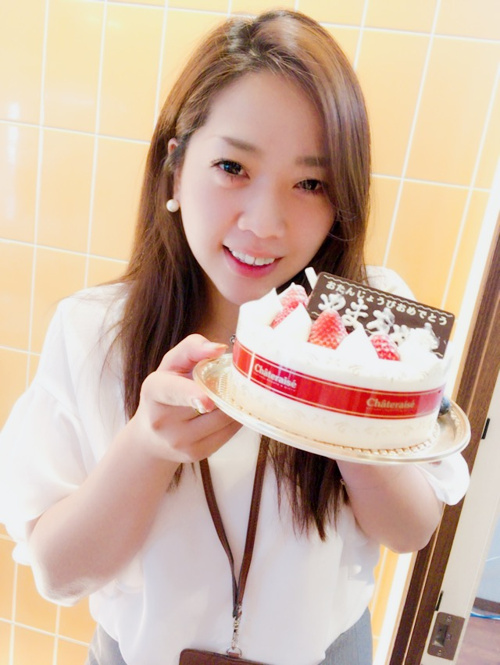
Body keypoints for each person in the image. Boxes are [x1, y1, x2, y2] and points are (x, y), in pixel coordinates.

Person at [0, 9, 469, 665]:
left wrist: (348, 411)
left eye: (311, 183)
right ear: (174, 169)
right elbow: (58, 574)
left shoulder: (373, 318)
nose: (265, 223)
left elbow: (411, 530)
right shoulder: (93, 330)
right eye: (232, 166)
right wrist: (147, 446)